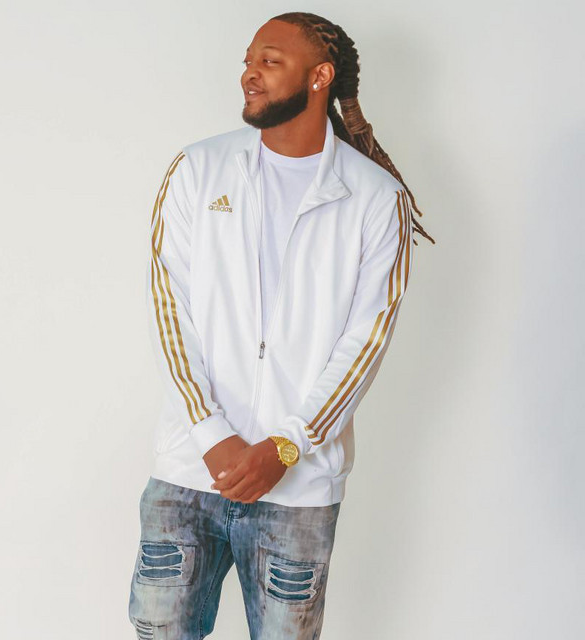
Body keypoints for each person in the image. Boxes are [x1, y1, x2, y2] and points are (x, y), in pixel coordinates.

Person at [128, 11, 435, 640]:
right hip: (189, 471)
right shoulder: (197, 170)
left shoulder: (376, 198)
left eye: (269, 61)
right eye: (248, 60)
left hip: (298, 490)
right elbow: (169, 308)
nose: (249, 73)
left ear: (319, 76)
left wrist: (288, 446)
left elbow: (367, 341)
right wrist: (212, 435)